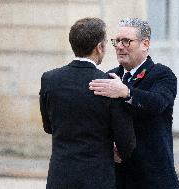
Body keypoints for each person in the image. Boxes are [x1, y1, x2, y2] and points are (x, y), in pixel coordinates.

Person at [39, 17, 136, 189]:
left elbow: (48, 127)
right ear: (99, 47)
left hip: (60, 176)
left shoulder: (49, 79)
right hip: (97, 178)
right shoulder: (111, 84)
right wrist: (118, 152)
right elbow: (126, 142)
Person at [89, 18, 179, 189]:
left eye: (126, 41)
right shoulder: (109, 77)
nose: (119, 46)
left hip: (153, 175)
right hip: (118, 175)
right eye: (117, 41)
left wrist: (126, 92)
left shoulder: (161, 74)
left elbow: (157, 103)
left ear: (145, 44)